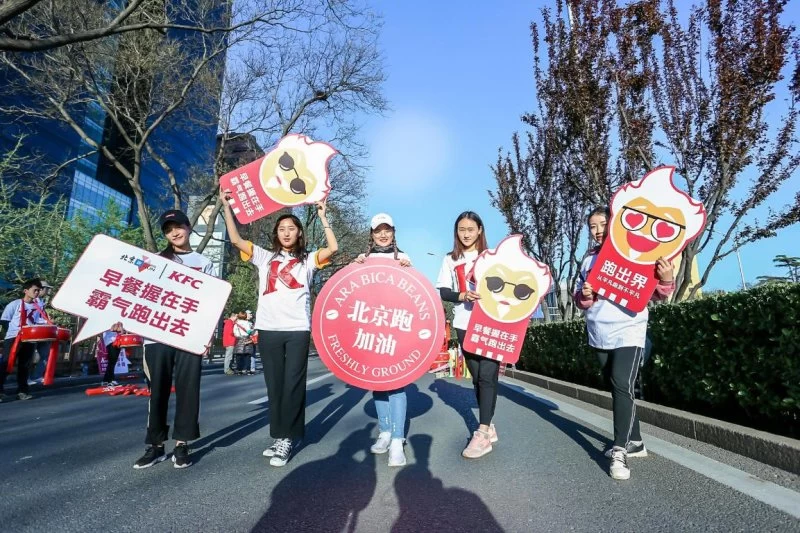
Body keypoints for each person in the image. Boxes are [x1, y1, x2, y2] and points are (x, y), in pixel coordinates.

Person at [221, 187, 337, 467]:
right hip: (269, 329)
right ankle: (279, 435)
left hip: (297, 329)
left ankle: (288, 438)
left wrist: (323, 216)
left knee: (293, 385)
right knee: (274, 386)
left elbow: (333, 248)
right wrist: (226, 206)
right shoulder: (263, 257)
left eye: (292, 228)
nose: (286, 232)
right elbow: (235, 239)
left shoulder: (309, 260)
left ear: (299, 233)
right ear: (276, 233)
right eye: (282, 228)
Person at [573, 206, 674, 481]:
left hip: (630, 328)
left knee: (621, 383)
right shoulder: (588, 259)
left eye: (603, 224)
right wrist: (585, 295)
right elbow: (578, 298)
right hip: (599, 331)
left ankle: (620, 449)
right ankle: (636, 441)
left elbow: (658, 293)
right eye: (592, 226)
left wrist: (666, 279)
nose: (598, 231)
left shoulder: (636, 252)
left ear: (615, 224)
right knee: (617, 387)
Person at [133, 209, 217, 470]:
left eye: (178, 227)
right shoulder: (153, 260)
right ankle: (156, 446)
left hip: (189, 337)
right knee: (157, 392)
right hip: (156, 337)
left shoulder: (204, 262)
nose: (175, 233)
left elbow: (211, 302)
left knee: (188, 391)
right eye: (169, 230)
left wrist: (208, 335)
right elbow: (136, 292)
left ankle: (182, 444)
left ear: (188, 227)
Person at [436, 211, 497, 459]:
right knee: (476, 377)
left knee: (487, 375)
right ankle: (489, 425)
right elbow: (443, 291)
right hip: (464, 322)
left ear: (480, 230)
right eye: (462, 229)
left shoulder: (492, 257)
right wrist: (462, 296)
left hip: (492, 322)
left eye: (471, 229)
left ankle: (482, 433)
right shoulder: (450, 259)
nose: (466, 234)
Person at [353, 213, 413, 467]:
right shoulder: (364, 259)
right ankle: (385, 432)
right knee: (378, 382)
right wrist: (355, 266)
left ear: (394, 232)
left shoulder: (403, 258)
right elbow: (354, 290)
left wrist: (409, 269)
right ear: (372, 234)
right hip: (372, 328)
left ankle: (398, 440)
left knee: (397, 384)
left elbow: (413, 293)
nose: (383, 234)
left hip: (396, 328)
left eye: (387, 230)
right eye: (378, 230)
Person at [0, 278, 47, 401]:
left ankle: (22, 391)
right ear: (26, 291)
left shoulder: (39, 307)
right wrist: (14, 332)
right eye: (35, 290)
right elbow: (5, 320)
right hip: (14, 338)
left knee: (25, 366)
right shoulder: (15, 304)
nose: (37, 292)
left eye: (38, 290)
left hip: (30, 339)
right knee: (7, 364)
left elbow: (41, 321)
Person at [29, 279, 54, 384]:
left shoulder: (41, 302)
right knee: (29, 356)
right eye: (46, 289)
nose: (47, 291)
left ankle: (36, 376)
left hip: (42, 332)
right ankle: (27, 378)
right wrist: (46, 321)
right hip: (33, 332)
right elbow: (31, 318)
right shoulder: (32, 302)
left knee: (45, 354)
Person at [100, 322, 127, 386]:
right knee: (112, 361)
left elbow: (121, 330)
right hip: (110, 341)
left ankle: (105, 380)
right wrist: (118, 327)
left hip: (118, 340)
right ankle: (111, 379)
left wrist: (121, 328)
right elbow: (112, 329)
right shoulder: (107, 320)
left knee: (112, 362)